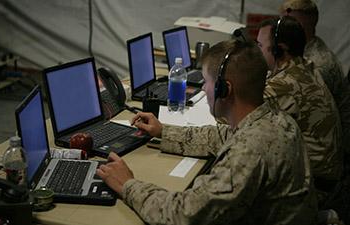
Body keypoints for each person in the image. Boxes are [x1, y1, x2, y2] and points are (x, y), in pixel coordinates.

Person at [96, 37, 317, 224]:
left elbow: (184, 214)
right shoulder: (274, 119)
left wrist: (127, 184)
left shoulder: (250, 151)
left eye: (207, 82)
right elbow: (219, 136)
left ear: (224, 89)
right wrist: (163, 131)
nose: (203, 88)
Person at [257, 16, 342, 203]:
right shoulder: (305, 67)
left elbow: (239, 115)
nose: (257, 52)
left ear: (280, 50)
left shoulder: (286, 85)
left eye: (260, 46)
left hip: (313, 188)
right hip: (326, 178)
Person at [280, 0, 350, 172]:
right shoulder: (303, 52)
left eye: (293, 25)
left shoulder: (318, 63)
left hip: (324, 163)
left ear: (309, 25)